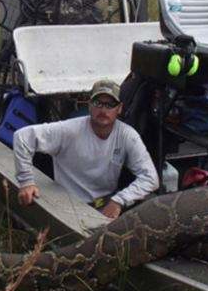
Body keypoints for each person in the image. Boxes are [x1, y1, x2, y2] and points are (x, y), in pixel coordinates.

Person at [12, 79, 159, 219]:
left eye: (110, 105)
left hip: (105, 206)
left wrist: (119, 200)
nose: (103, 109)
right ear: (89, 105)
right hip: (65, 206)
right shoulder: (69, 129)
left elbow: (151, 178)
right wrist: (26, 182)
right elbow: (22, 137)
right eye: (98, 103)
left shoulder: (127, 135)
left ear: (119, 108)